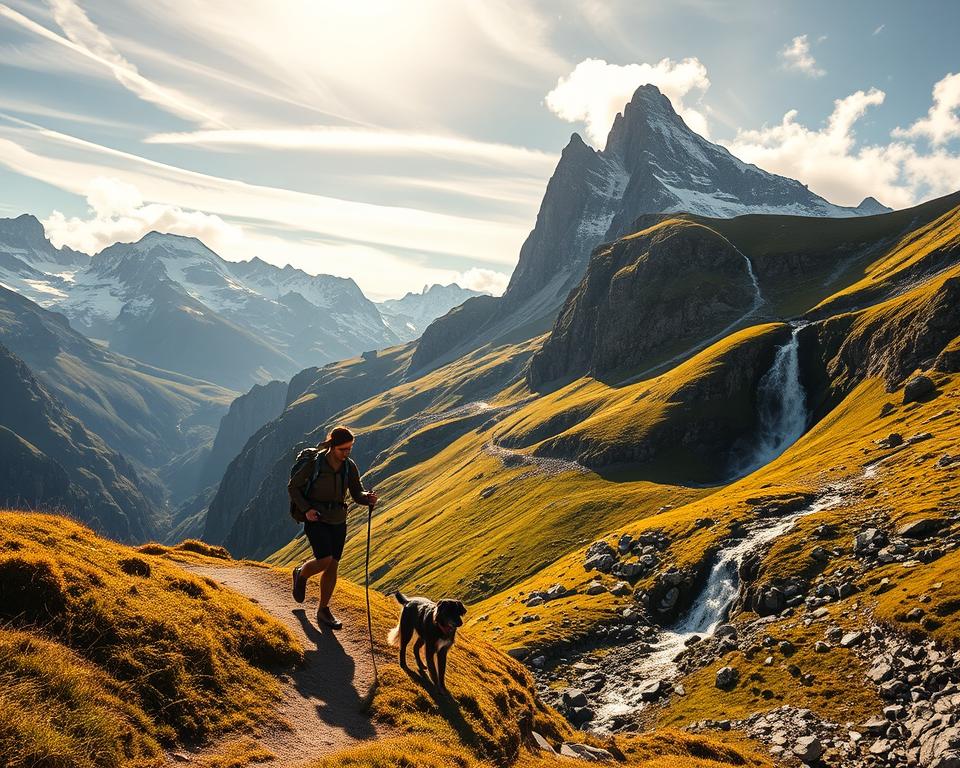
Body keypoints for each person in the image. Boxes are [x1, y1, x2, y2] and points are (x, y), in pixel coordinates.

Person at [288, 425, 378, 629]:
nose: (346, 453)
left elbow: (356, 493)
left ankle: (323, 610)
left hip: (338, 519)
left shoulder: (349, 466)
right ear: (332, 447)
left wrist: (368, 498)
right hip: (316, 517)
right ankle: (301, 572)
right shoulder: (315, 463)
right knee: (325, 560)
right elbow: (293, 487)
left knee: (333, 565)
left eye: (349, 449)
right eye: (342, 449)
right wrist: (307, 509)